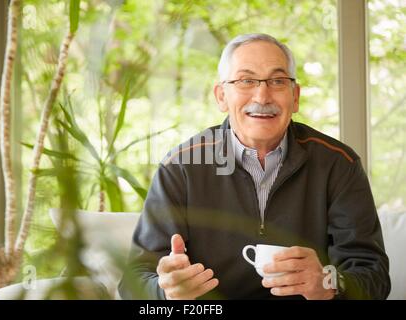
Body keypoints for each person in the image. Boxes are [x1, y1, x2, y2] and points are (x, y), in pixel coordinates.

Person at [118, 33, 390, 300]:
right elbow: (134, 282)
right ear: (221, 96)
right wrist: (165, 292)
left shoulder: (339, 164)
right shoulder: (181, 167)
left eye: (278, 81)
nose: (262, 95)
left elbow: (374, 276)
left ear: (295, 97)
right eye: (246, 80)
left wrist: (330, 283)